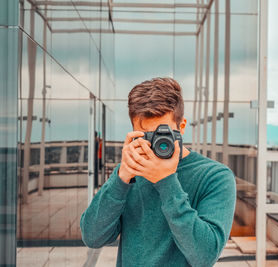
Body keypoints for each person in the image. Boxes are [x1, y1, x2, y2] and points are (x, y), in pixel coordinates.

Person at [80, 77, 236, 267]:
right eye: (148, 136)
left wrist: (166, 182)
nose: (157, 143)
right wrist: (121, 178)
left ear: (182, 127)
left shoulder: (215, 177)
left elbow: (204, 256)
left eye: (165, 134)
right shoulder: (130, 173)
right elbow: (92, 237)